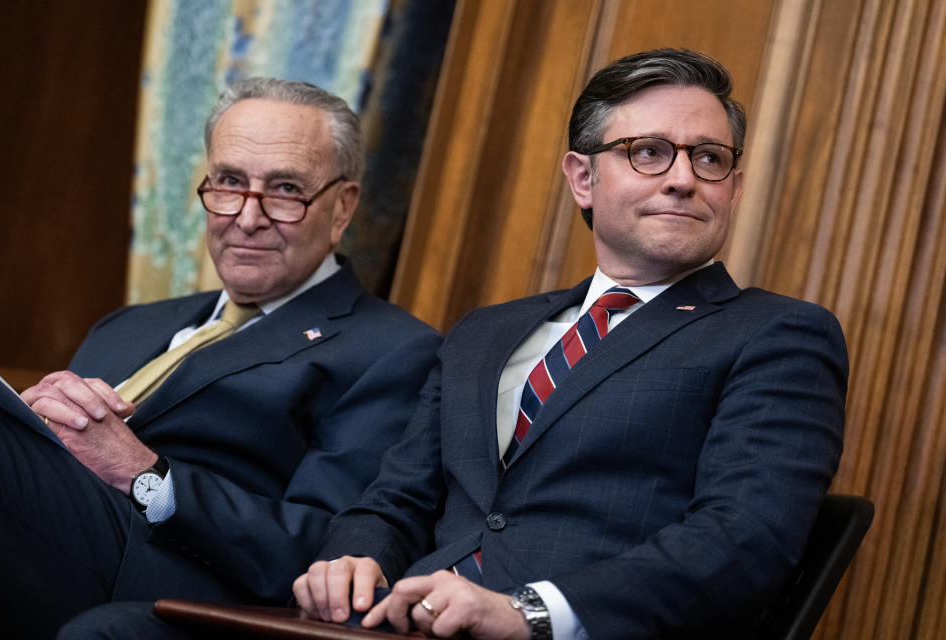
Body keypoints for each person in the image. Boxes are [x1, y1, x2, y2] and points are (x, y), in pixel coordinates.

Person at [289, 49, 848, 639]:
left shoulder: (778, 334)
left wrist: (528, 613)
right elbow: (396, 499)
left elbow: (745, 538)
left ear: (732, 189)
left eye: (709, 159)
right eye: (649, 153)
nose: (684, 179)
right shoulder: (485, 332)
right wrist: (354, 559)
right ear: (584, 178)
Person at [0, 78, 440, 637]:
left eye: (285, 189)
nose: (247, 218)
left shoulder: (394, 350)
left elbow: (324, 547)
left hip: (170, 579)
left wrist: (143, 475)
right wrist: (33, 430)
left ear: (343, 207)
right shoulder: (131, 323)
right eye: (229, 182)